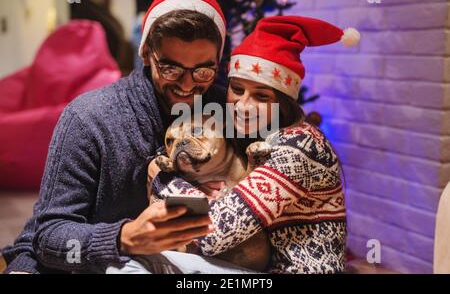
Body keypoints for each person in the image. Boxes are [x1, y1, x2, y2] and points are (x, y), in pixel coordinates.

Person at [1, 0, 235, 274]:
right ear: (147, 53)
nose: (187, 86)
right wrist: (124, 238)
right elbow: (48, 237)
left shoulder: (227, 111)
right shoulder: (89, 118)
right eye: (170, 69)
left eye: (203, 71)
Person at [123, 16, 361, 274]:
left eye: (261, 96)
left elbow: (213, 233)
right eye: (237, 89)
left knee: (133, 268)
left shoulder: (301, 145)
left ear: (283, 102)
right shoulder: (256, 134)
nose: (244, 105)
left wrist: (163, 177)